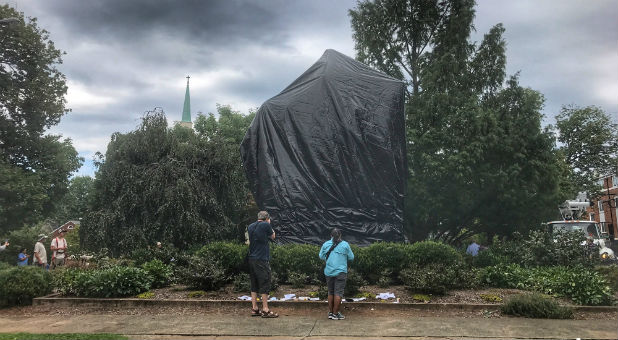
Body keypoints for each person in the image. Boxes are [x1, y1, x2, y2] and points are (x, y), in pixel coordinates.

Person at [247, 211, 278, 318]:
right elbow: (273, 236)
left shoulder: (250, 226)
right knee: (265, 281)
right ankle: (265, 309)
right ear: (267, 218)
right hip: (261, 258)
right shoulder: (266, 225)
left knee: (254, 283)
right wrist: (269, 224)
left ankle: (255, 308)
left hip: (252, 258)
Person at [319, 228, 354, 320]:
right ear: (340, 236)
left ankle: (331, 313)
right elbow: (351, 257)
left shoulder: (326, 244)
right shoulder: (345, 245)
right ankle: (335, 313)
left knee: (330, 292)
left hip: (329, 272)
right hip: (341, 272)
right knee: (338, 293)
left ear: (331, 236)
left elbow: (321, 256)